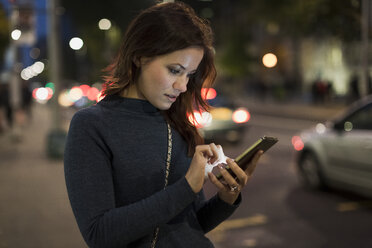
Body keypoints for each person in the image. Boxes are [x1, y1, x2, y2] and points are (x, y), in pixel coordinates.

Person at [64, 2, 263, 247]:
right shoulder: (91, 126)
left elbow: (191, 224)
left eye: (189, 75)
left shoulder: (178, 122)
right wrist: (187, 186)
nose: (182, 86)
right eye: (174, 70)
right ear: (139, 57)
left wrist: (227, 196)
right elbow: (99, 234)